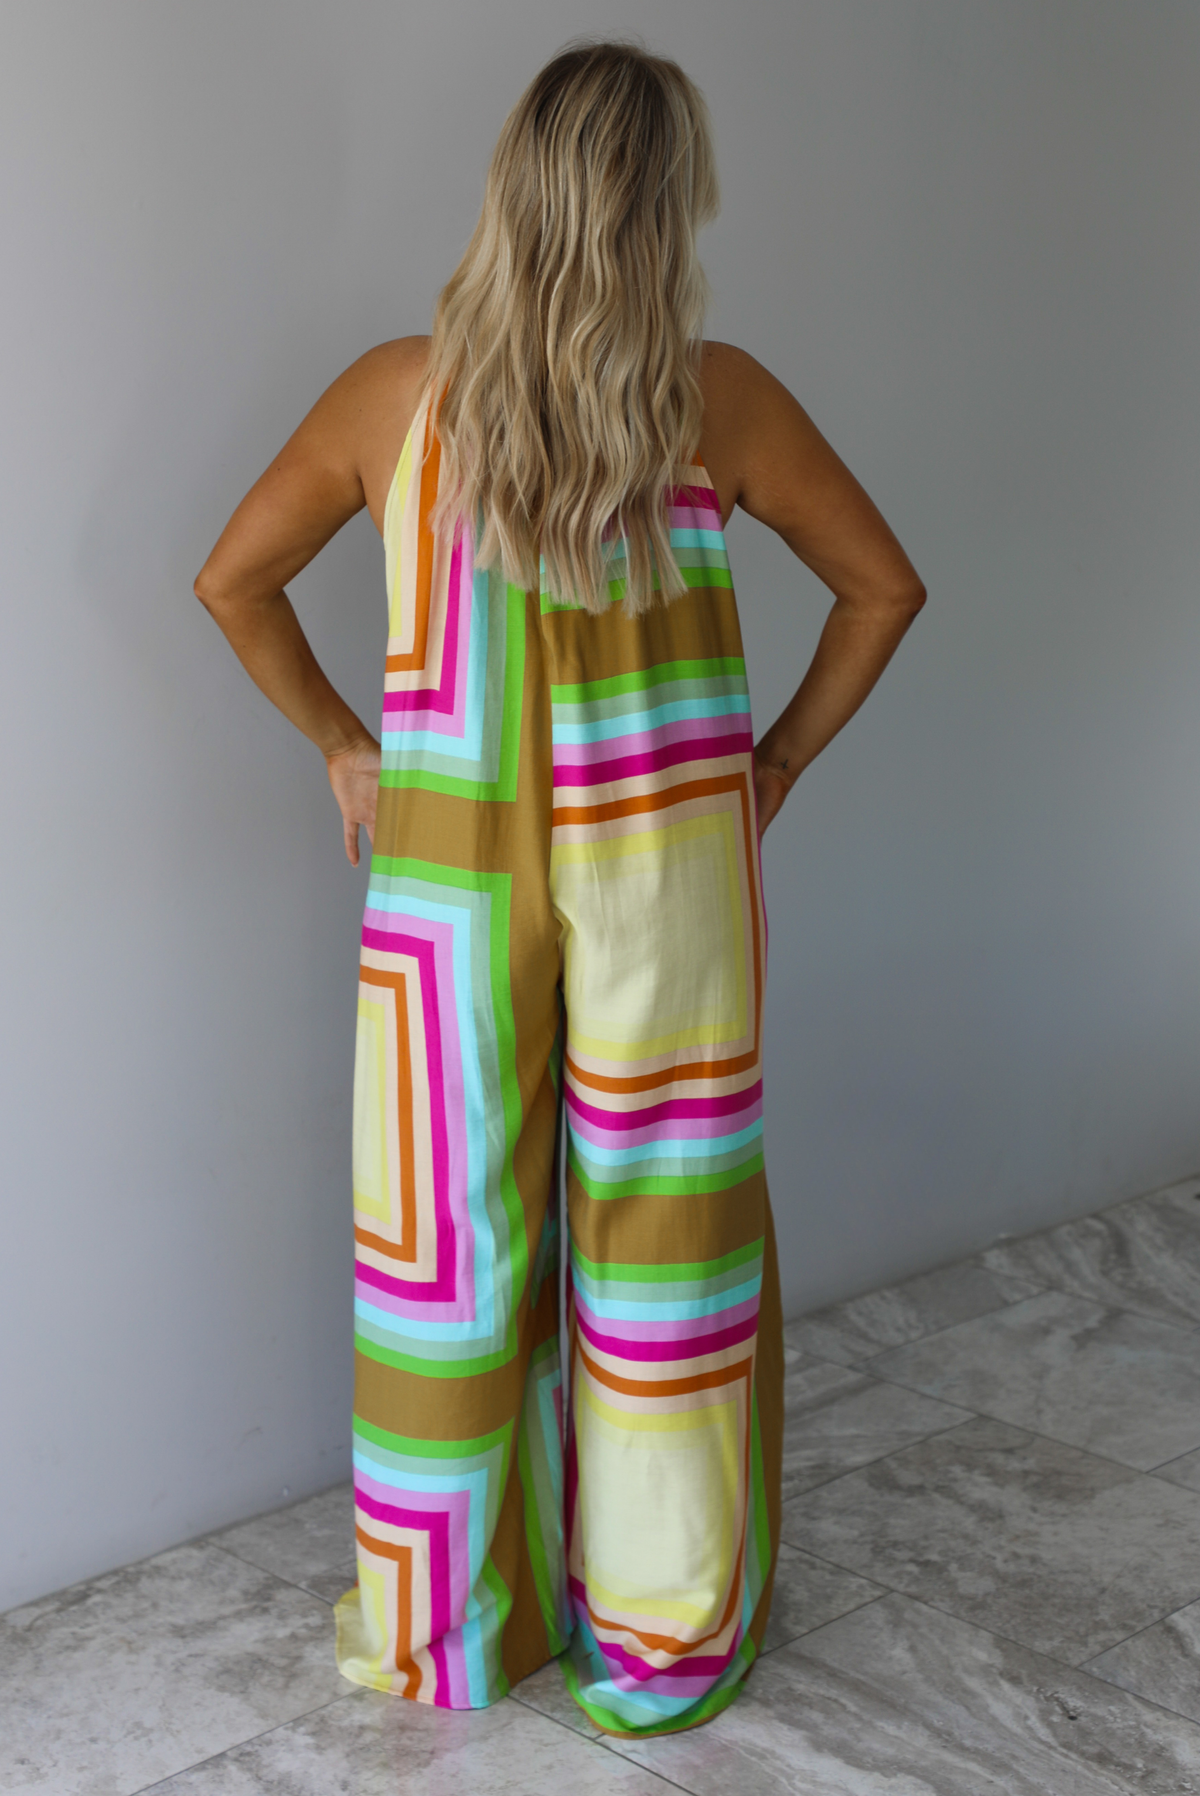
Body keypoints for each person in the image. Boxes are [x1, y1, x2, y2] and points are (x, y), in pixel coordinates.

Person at [194, 39, 925, 1739]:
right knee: (663, 1233)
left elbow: (232, 579)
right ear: (673, 207)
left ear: (510, 186)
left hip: (445, 877)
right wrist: (779, 764)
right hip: (669, 867)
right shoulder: (715, 395)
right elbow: (882, 587)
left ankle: (453, 1625)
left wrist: (343, 745)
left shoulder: (394, 394)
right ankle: (662, 1635)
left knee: (450, 1245)